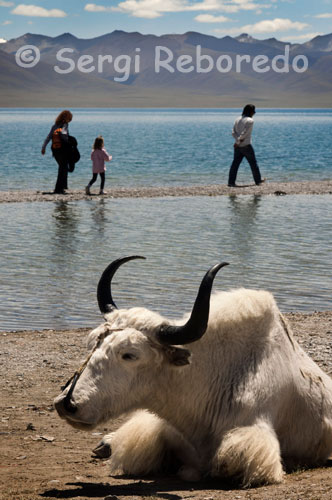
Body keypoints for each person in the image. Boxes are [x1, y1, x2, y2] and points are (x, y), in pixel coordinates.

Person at [228, 104, 265, 187]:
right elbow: (245, 133)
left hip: (237, 147)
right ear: (251, 112)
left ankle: (231, 182)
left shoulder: (237, 119)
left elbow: (233, 132)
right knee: (253, 163)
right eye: (254, 111)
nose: (254, 113)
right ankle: (258, 181)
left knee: (235, 164)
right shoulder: (250, 121)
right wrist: (238, 141)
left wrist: (237, 141)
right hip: (246, 145)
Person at [41, 110, 73, 194]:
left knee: (62, 168)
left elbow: (48, 137)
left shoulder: (54, 126)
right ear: (67, 118)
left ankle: (61, 188)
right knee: (63, 169)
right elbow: (64, 137)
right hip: (62, 150)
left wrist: (43, 147)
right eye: (70, 118)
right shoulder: (65, 125)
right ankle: (59, 189)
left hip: (55, 150)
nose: (70, 120)